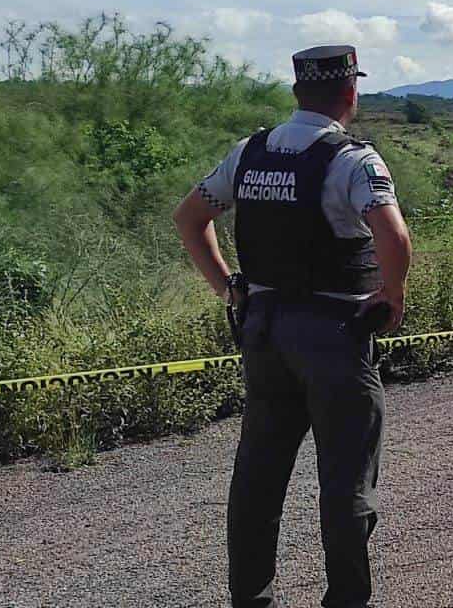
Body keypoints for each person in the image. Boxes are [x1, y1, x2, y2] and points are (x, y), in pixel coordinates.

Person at [172, 45, 412, 608]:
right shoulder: (356, 161)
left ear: (296, 91)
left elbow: (189, 218)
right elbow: (394, 239)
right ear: (350, 93)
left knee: (259, 475)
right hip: (334, 333)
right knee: (347, 480)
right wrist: (393, 294)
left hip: (264, 330)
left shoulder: (249, 152)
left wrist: (229, 286)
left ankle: (252, 599)